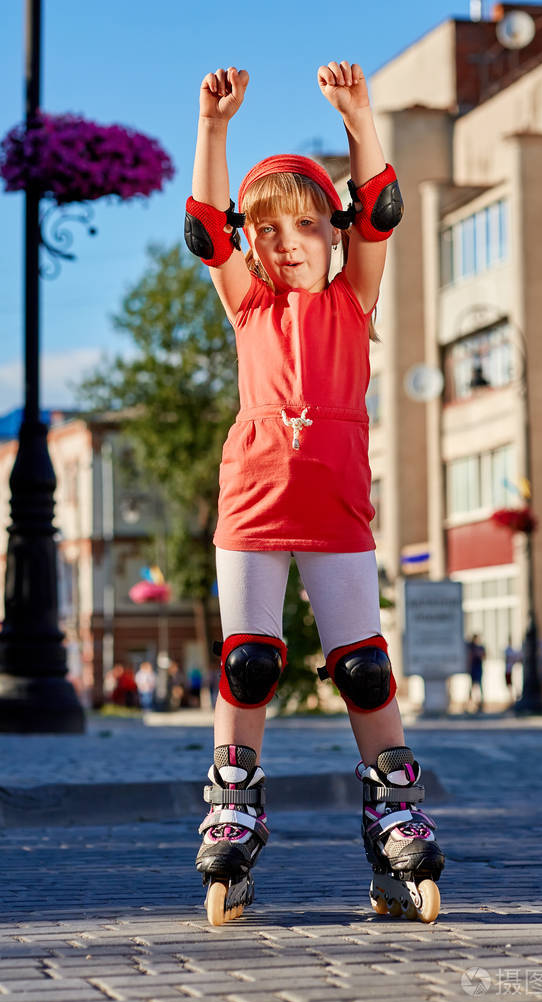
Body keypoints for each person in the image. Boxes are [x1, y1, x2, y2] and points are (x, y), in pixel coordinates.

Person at [184, 61, 443, 924]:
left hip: (336, 505)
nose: (287, 239)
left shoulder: (353, 300)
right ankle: (232, 805)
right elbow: (205, 230)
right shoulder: (247, 305)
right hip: (252, 500)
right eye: (268, 228)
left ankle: (396, 812)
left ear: (333, 234)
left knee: (364, 668)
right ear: (250, 242)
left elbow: (381, 207)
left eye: (306, 223)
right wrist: (214, 131)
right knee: (247, 660)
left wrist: (360, 116)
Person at [466, 634, 486, 712]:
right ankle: (469, 704)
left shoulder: (481, 648)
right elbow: (469, 658)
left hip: (479, 668)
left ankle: (481, 704)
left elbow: (484, 656)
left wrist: (479, 654)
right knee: (471, 687)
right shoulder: (471, 648)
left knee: (480, 686)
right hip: (473, 669)